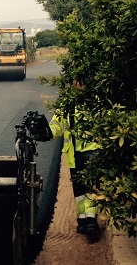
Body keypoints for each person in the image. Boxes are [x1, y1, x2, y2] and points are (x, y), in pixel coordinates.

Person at [49, 81, 102, 242]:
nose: (79, 85)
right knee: (79, 191)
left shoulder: (97, 102)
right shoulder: (68, 105)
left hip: (94, 152)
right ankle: (83, 221)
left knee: (91, 188)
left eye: (82, 82)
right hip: (74, 155)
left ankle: (92, 222)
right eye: (76, 83)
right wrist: (45, 132)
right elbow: (56, 126)